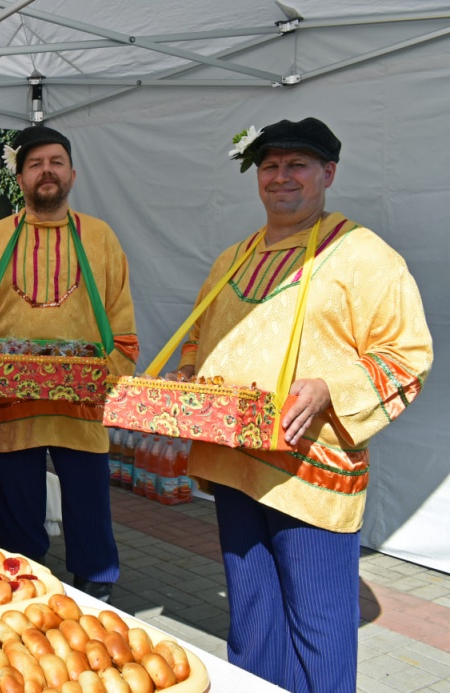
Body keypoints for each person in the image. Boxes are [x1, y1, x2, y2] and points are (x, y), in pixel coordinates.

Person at [177, 117, 433, 692]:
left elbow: (408, 354)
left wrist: (329, 389)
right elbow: (202, 338)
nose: (281, 178)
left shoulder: (364, 256)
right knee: (252, 615)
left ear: (328, 173)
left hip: (312, 476)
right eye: (270, 166)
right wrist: (190, 377)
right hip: (233, 464)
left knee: (319, 627)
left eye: (297, 165)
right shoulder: (232, 259)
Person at [0, 125, 140, 603]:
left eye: (56, 162)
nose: (47, 171)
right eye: (35, 164)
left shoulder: (100, 238)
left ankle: (96, 598)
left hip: (80, 410)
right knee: (19, 525)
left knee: (90, 516)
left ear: (73, 174)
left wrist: (108, 378)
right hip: (8, 406)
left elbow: (121, 322)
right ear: (19, 178)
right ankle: (25, 599)